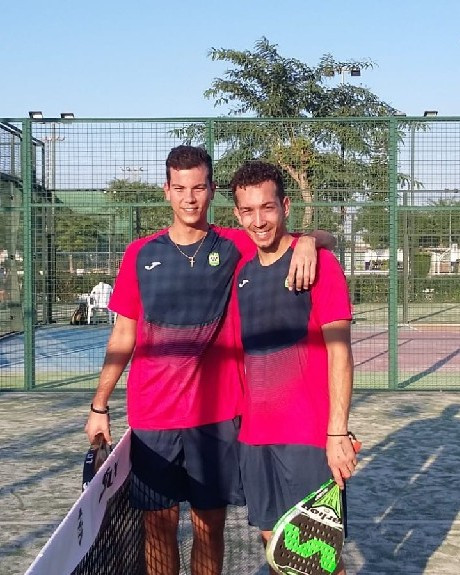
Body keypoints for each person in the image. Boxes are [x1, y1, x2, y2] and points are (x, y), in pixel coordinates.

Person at [85, 146, 335, 575]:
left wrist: (312, 241)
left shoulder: (235, 243)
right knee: (158, 529)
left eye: (198, 187)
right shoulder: (140, 254)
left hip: (217, 417)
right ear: (166, 191)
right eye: (180, 188)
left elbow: (291, 237)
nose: (189, 198)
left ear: (212, 190)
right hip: (153, 418)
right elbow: (123, 334)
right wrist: (99, 405)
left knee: (208, 528)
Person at [230, 161, 356, 575]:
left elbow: (340, 352)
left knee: (318, 558)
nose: (259, 220)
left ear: (285, 206)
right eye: (248, 211)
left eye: (267, 207)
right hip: (254, 437)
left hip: (308, 437)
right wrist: (314, 238)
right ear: (237, 214)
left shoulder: (319, 265)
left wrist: (337, 432)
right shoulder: (242, 271)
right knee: (277, 548)